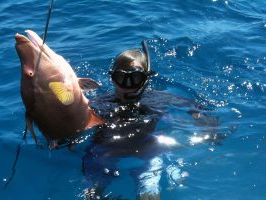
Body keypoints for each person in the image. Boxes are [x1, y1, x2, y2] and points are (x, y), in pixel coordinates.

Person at [82, 41, 220, 200]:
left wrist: (205, 123)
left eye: (134, 78)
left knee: (149, 190)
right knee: (92, 193)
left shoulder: (158, 99)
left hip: (146, 151)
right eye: (121, 78)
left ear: (145, 80)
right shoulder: (99, 103)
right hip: (106, 151)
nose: (127, 86)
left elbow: (194, 106)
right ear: (112, 78)